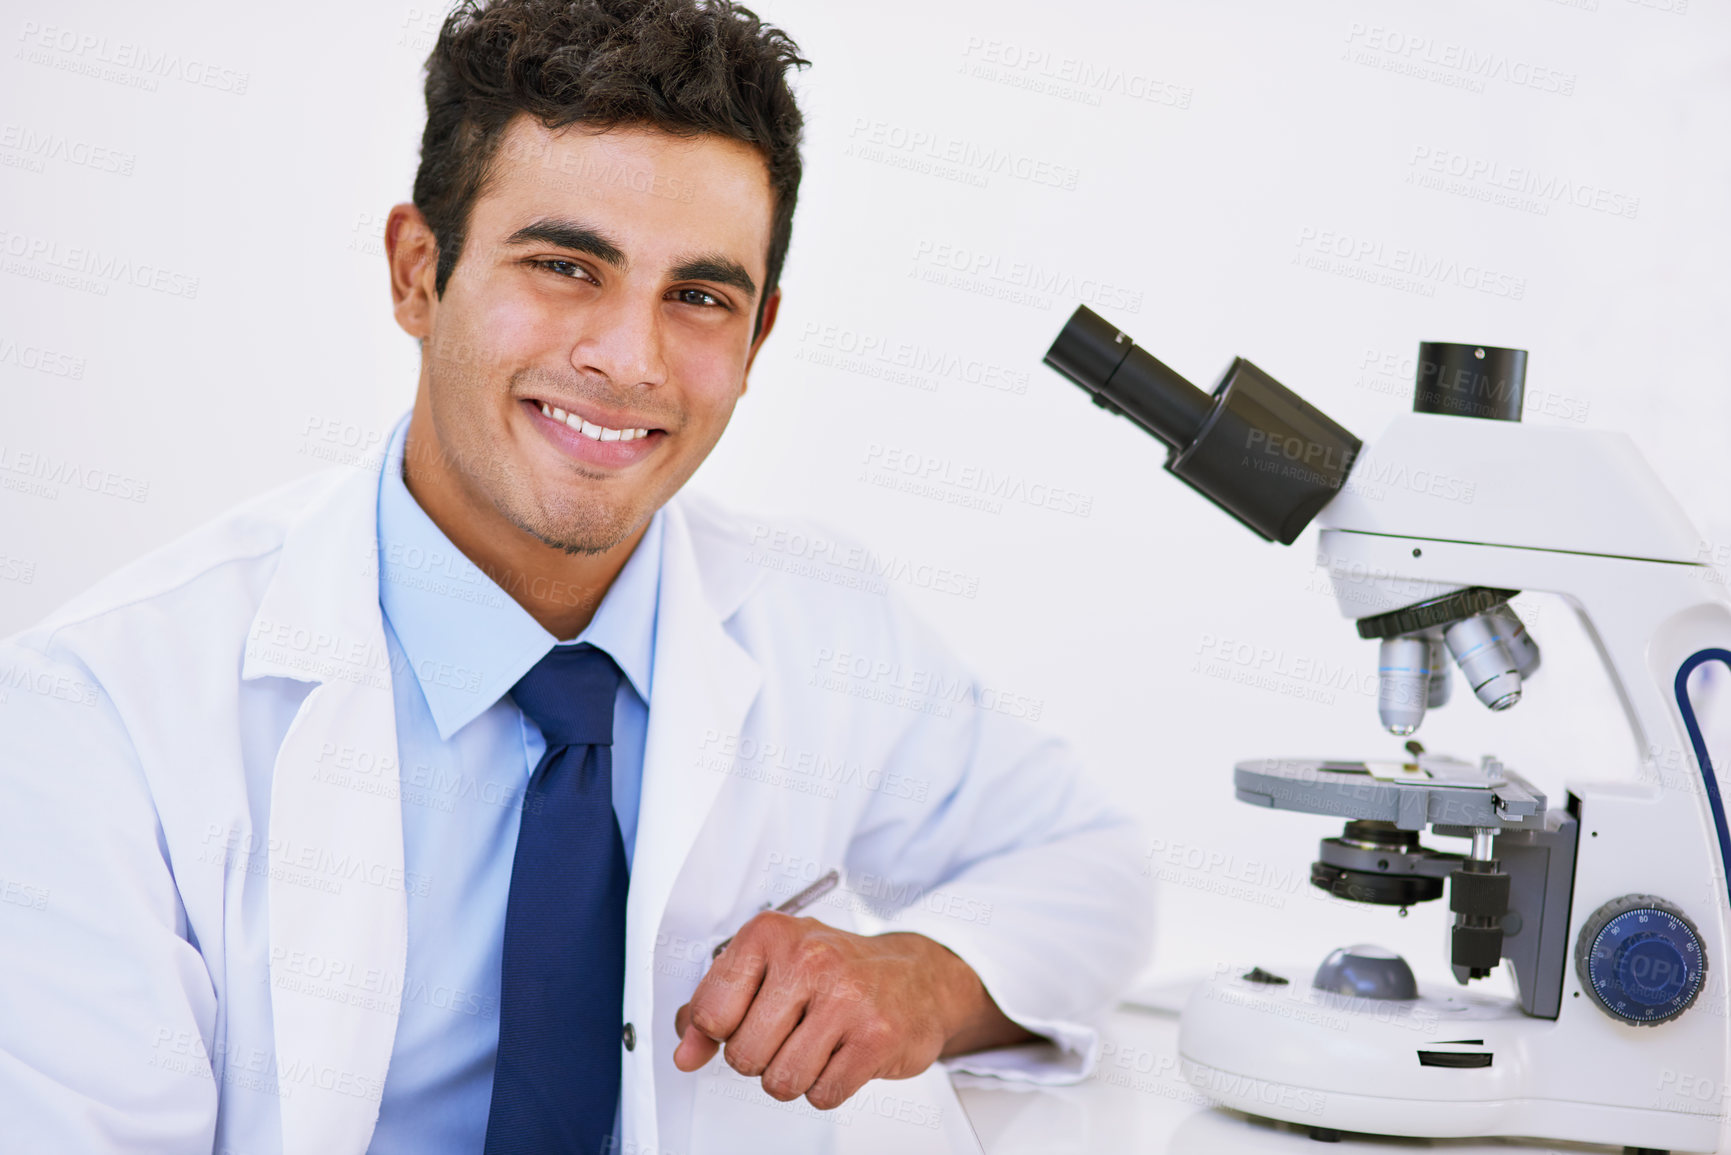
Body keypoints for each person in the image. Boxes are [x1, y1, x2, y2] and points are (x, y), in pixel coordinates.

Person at [0, 1, 1153, 1152]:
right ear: (417, 272)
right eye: (564, 266)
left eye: (699, 297)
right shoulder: (102, 714)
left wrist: (925, 975)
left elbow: (1090, 875)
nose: (628, 361)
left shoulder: (822, 623)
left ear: (758, 340)